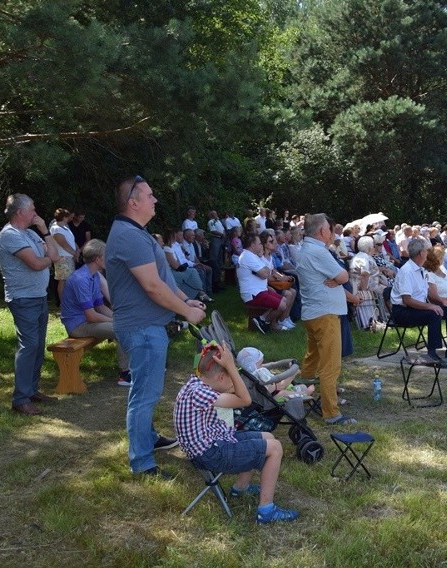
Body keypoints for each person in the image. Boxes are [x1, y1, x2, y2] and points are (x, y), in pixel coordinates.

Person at [106, 175, 207, 477]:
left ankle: (147, 439)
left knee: (146, 389)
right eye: (149, 195)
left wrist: (186, 302)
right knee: (145, 394)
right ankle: (142, 462)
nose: (155, 200)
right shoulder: (130, 236)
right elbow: (151, 287)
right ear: (133, 202)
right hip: (142, 327)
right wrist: (186, 314)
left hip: (145, 325)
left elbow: (163, 280)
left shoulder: (138, 233)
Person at [174, 341, 298, 524]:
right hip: (211, 454)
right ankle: (266, 510)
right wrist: (231, 367)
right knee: (275, 448)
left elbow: (236, 394)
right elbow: (245, 399)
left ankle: (240, 487)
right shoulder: (202, 394)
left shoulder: (195, 385)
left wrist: (227, 368)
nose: (235, 382)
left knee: (268, 437)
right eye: (232, 377)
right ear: (222, 378)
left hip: (211, 445)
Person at [0, 194, 61, 415]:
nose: (36, 213)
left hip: (38, 296)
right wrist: (48, 260)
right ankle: (20, 399)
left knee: (37, 345)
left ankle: (32, 390)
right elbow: (35, 264)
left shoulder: (31, 234)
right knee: (29, 346)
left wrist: (45, 230)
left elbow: (54, 254)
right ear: (20, 212)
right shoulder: (10, 236)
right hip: (23, 298)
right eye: (32, 209)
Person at [295, 213, 356, 425]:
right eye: (329, 229)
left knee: (312, 359)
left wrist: (337, 280)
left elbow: (338, 278)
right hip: (325, 314)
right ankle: (331, 412)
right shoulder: (318, 251)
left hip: (314, 313)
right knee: (330, 365)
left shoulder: (306, 249)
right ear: (322, 231)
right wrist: (338, 279)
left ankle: (300, 398)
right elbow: (344, 276)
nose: (331, 233)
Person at [60, 239, 131, 386]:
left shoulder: (94, 276)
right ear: (98, 259)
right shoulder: (81, 279)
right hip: (78, 325)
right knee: (122, 329)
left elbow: (100, 307)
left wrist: (120, 317)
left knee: (126, 324)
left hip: (87, 321)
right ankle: (125, 375)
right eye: (106, 256)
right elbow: (91, 316)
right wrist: (117, 322)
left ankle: (134, 368)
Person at [390, 238, 447, 366]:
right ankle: (432, 354)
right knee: (434, 314)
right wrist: (431, 306)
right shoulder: (407, 271)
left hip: (415, 307)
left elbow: (427, 293)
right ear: (421, 254)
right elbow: (407, 300)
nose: (429, 254)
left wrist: (442, 301)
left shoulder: (420, 269)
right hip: (402, 312)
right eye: (427, 251)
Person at [237, 233, 293, 332]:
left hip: (260, 291)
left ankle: (262, 320)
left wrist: (265, 271)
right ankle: (263, 320)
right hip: (253, 294)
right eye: (259, 243)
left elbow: (267, 272)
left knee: (284, 300)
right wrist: (266, 271)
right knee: (282, 305)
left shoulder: (252, 256)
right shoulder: (248, 256)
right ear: (252, 245)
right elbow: (265, 274)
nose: (261, 245)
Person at [50, 208, 80, 301]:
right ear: (63, 217)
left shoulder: (65, 227)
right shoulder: (56, 228)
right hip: (62, 258)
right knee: (63, 280)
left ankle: (68, 301)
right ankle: (63, 302)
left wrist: (77, 250)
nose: (69, 219)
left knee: (68, 280)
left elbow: (71, 241)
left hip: (69, 257)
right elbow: (64, 244)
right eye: (67, 217)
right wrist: (75, 253)